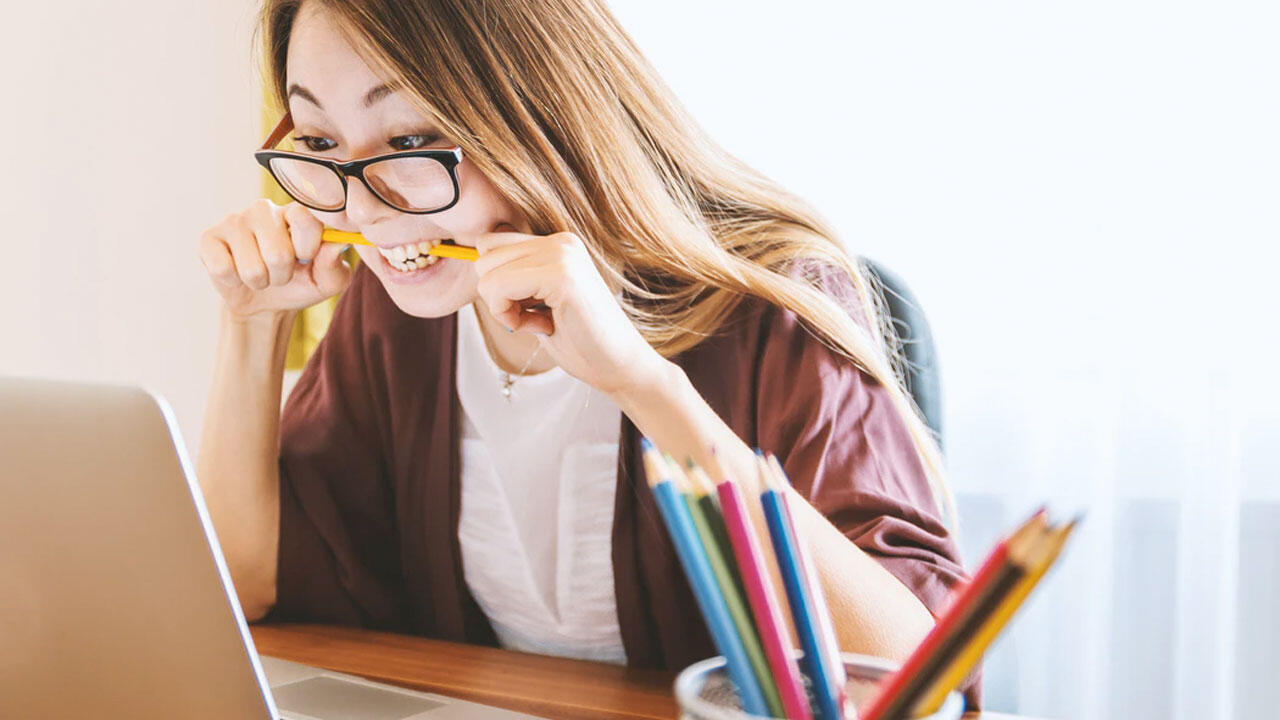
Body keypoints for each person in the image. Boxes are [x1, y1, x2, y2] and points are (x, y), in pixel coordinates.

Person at [196, 0, 976, 704]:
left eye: (410, 138)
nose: (363, 207)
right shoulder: (398, 309)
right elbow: (244, 585)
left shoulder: (771, 303)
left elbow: (915, 674)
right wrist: (252, 324)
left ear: (539, 114)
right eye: (322, 141)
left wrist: (640, 384)